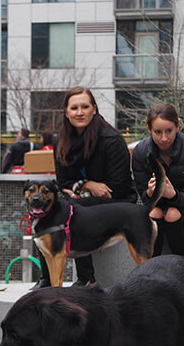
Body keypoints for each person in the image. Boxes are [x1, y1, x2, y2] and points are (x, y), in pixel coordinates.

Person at [33, 86, 136, 290]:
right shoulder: (60, 140)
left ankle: (86, 278)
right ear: (66, 112)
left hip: (118, 201)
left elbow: (117, 186)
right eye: (74, 108)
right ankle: (46, 278)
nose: (79, 112)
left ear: (94, 109)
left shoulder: (111, 140)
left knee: (74, 208)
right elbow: (62, 181)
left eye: (85, 107)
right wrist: (85, 185)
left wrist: (79, 191)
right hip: (81, 197)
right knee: (48, 211)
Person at [132, 103, 184, 258]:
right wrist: (149, 193)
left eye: (169, 131)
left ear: (178, 127)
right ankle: (151, 271)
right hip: (157, 207)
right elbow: (144, 198)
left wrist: (173, 195)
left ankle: (183, 268)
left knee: (172, 214)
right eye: (158, 132)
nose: (164, 138)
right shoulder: (140, 152)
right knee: (154, 213)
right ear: (149, 129)